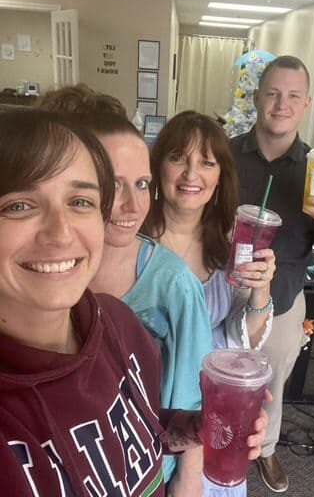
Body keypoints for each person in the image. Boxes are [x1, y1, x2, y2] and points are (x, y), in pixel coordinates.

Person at [0, 108, 268, 496]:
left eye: (80, 201)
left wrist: (202, 427)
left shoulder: (120, 324)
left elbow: (141, 427)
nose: (59, 233)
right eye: (19, 205)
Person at [37, 85, 212, 495]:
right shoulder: (45, 283)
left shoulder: (170, 287)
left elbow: (189, 409)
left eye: (141, 184)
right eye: (111, 184)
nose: (132, 207)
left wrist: (189, 477)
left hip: (142, 470)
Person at [230, 55, 314, 492]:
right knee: (206, 371)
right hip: (220, 291)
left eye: (293, 96)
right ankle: (211, 445)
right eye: (272, 93)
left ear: (306, 104)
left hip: (281, 299)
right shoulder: (223, 156)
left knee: (271, 382)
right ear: (256, 99)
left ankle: (266, 449)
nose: (281, 104)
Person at [142, 110, 276, 496]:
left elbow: (241, 341)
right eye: (178, 157)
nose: (190, 173)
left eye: (206, 162)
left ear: (219, 179)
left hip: (210, 411)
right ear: (158, 167)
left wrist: (261, 287)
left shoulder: (232, 247)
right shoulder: (130, 240)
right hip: (147, 405)